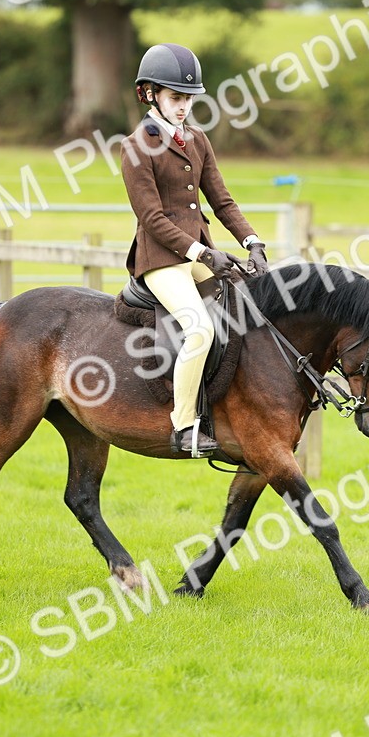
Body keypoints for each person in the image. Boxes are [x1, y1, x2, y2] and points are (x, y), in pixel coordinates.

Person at [121, 43, 269, 457]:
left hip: (199, 254)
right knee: (200, 329)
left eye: (188, 99)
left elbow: (222, 202)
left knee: (250, 300)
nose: (183, 106)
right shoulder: (136, 146)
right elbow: (151, 218)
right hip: (161, 262)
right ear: (149, 94)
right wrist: (203, 255)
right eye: (175, 98)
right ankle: (184, 426)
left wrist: (252, 243)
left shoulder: (198, 140)